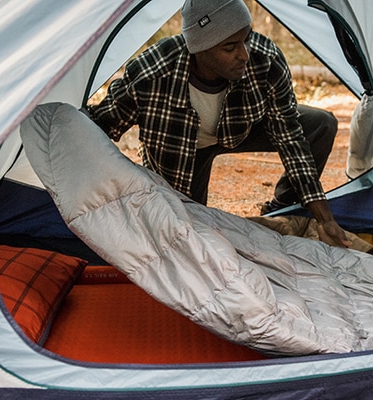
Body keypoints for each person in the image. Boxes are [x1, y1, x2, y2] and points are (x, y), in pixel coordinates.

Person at [86, 0, 350, 247]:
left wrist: (325, 219)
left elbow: (289, 135)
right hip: (185, 150)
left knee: (320, 124)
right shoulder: (152, 74)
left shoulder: (265, 60)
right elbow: (98, 130)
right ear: (199, 48)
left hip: (242, 129)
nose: (244, 54)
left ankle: (280, 208)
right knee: (188, 231)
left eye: (246, 40)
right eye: (230, 47)